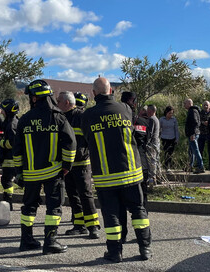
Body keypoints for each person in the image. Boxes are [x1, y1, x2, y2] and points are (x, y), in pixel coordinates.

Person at [80, 77, 151, 262]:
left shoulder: (87, 115)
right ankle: (145, 248)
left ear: (93, 94)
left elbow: (86, 140)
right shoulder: (125, 109)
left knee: (111, 215)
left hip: (106, 176)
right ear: (111, 91)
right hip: (131, 172)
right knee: (138, 210)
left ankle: (114, 252)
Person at [13, 80, 76, 254]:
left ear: (34, 98)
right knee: (53, 207)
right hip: (53, 172)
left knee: (28, 207)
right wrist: (66, 166)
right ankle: (50, 241)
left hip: (30, 174)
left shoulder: (24, 120)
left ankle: (26, 240)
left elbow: (17, 150)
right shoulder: (58, 117)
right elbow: (70, 143)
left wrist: (19, 173)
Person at [57, 91, 100, 239]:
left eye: (59, 102)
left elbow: (91, 139)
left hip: (81, 163)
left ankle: (93, 226)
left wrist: (82, 152)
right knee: (73, 195)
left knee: (85, 194)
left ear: (67, 103)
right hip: (67, 165)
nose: (57, 104)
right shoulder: (61, 117)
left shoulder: (81, 117)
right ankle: (79, 225)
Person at [0, 98, 20, 209]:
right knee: (11, 180)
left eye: (3, 110)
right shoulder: (15, 121)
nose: (1, 112)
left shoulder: (11, 124)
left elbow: (12, 143)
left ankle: (8, 201)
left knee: (6, 181)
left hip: (10, 159)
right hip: (13, 158)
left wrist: (0, 142)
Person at [183, 98, 204, 173]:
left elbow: (195, 123)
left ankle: (201, 166)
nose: (184, 105)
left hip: (193, 134)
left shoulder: (192, 111)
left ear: (189, 103)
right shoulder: (193, 111)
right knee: (191, 151)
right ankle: (190, 166)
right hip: (194, 133)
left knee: (195, 150)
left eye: (185, 103)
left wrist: (192, 134)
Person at [145, 104, 161, 186]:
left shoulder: (151, 119)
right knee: (156, 159)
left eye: (147, 110)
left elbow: (150, 133)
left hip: (152, 143)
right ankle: (158, 176)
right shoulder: (156, 119)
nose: (146, 112)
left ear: (150, 111)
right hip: (156, 141)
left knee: (151, 161)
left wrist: (146, 142)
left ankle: (152, 178)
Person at [159, 105, 180, 170]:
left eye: (172, 113)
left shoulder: (174, 120)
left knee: (170, 153)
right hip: (164, 138)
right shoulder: (162, 119)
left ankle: (169, 166)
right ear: (166, 112)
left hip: (172, 138)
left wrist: (177, 138)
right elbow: (159, 128)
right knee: (166, 152)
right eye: (169, 113)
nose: (171, 114)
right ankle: (165, 165)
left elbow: (176, 129)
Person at [197, 100, 210, 165]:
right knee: (200, 150)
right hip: (201, 133)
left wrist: (209, 123)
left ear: (209, 106)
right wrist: (203, 122)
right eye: (204, 105)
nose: (205, 106)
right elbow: (197, 121)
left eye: (207, 105)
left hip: (209, 134)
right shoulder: (199, 113)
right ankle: (200, 165)